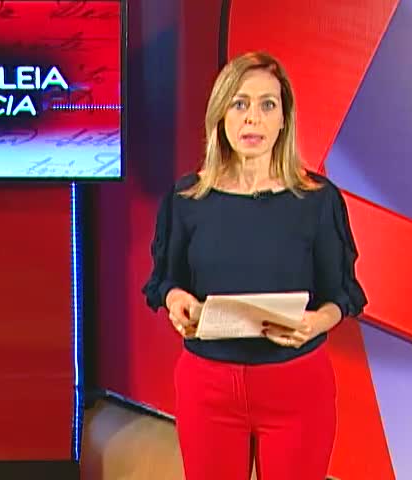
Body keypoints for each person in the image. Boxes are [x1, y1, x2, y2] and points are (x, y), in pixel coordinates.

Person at [142, 51, 367, 480]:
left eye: (268, 105)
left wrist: (317, 322)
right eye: (240, 104)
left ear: (284, 119)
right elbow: (166, 280)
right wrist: (176, 301)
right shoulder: (187, 199)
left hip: (296, 386)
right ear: (220, 115)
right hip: (207, 388)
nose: (253, 118)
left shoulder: (317, 200)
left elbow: (341, 293)